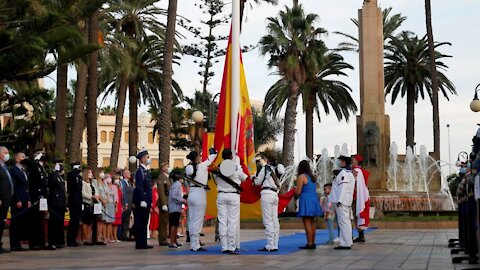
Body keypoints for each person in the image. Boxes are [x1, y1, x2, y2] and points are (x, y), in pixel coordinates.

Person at [214, 149, 247, 254]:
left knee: (222, 221)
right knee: (232, 221)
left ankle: (224, 247)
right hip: (233, 195)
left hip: (221, 195)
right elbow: (244, 178)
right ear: (231, 157)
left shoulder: (217, 169)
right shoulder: (236, 168)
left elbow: (215, 180)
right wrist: (238, 167)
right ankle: (231, 246)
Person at [185, 150, 217, 252]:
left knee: (191, 220)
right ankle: (196, 245)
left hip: (191, 193)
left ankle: (192, 244)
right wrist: (213, 152)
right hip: (199, 193)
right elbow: (211, 159)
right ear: (197, 158)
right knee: (198, 221)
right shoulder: (202, 166)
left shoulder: (188, 168)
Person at [254, 154, 285, 252]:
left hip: (267, 194)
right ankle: (275, 244)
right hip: (275, 195)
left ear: (267, 160)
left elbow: (258, 182)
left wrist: (253, 178)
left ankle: (270, 244)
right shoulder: (278, 170)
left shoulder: (266, 169)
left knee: (267, 220)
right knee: (274, 220)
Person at [295, 160, 322, 250]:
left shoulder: (301, 177)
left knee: (306, 222)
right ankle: (313, 242)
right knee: (312, 222)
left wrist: (294, 192)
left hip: (306, 199)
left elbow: (298, 191)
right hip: (313, 199)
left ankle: (309, 243)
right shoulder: (313, 177)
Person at [331, 154, 355, 250]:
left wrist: (339, 200)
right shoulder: (349, 173)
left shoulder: (343, 173)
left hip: (342, 201)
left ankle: (345, 243)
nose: (339, 162)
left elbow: (343, 188)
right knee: (346, 222)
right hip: (346, 201)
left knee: (343, 222)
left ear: (344, 162)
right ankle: (347, 241)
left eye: (340, 161)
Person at [28, 152, 51, 250]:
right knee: (35, 220)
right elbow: (35, 176)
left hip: (42, 197)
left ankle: (41, 242)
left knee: (41, 220)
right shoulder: (34, 165)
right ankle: (35, 243)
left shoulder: (41, 167)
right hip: (36, 196)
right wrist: (35, 161)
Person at [9, 152, 31, 251]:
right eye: (23, 157)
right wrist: (17, 199)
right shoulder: (14, 170)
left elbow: (26, 186)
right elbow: (14, 186)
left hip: (25, 199)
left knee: (22, 222)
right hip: (18, 200)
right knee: (16, 223)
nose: (25, 158)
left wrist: (28, 199)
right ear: (17, 159)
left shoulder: (23, 170)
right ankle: (14, 244)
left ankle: (18, 244)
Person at [132, 149, 153, 249]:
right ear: (142, 159)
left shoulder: (145, 171)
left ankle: (143, 242)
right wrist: (142, 199)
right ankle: (139, 243)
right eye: (146, 157)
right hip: (142, 201)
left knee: (144, 221)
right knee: (140, 221)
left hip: (147, 200)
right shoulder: (139, 171)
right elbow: (139, 186)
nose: (148, 159)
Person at [47, 159, 67, 249]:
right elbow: (52, 182)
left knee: (59, 224)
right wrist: (55, 172)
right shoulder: (53, 176)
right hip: (55, 203)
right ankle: (52, 242)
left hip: (61, 203)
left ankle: (59, 241)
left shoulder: (61, 178)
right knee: (53, 223)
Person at [351, 154, 370, 243]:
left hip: (356, 196)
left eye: (353, 159)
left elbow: (355, 184)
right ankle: (360, 235)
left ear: (357, 161)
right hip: (359, 195)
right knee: (356, 215)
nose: (352, 161)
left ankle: (360, 235)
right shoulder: (361, 171)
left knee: (356, 214)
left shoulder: (356, 171)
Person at [168, 172, 187, 248]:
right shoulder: (177, 185)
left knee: (175, 225)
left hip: (176, 208)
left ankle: (175, 241)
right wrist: (183, 200)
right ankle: (172, 242)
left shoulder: (176, 185)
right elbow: (174, 196)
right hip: (175, 208)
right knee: (174, 225)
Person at [66, 162, 83, 247]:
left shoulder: (78, 177)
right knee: (73, 221)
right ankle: (70, 240)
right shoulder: (71, 174)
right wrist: (74, 170)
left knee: (76, 222)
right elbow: (72, 185)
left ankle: (74, 239)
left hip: (78, 201)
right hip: (73, 201)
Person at [0, 146, 13, 253]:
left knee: (2, 223)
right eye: (6, 152)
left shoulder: (5, 167)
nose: (7, 154)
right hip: (1, 200)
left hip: (6, 199)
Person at [156, 162, 171, 246]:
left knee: (166, 221)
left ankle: (165, 237)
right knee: (163, 222)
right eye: (167, 166)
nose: (168, 167)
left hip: (168, 201)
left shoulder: (168, 177)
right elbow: (161, 191)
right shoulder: (162, 177)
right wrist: (164, 203)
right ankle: (162, 239)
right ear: (163, 168)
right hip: (164, 202)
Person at [81, 169, 96, 245]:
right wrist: (91, 197)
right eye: (89, 172)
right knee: (85, 222)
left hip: (92, 205)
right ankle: (85, 238)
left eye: (91, 172)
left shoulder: (92, 183)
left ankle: (89, 237)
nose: (91, 174)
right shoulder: (83, 183)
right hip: (86, 204)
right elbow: (83, 193)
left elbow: (94, 191)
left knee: (90, 222)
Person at [92, 170, 108, 245]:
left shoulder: (104, 182)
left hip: (105, 203)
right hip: (99, 203)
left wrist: (106, 200)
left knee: (103, 221)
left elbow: (107, 192)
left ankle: (100, 236)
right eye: (101, 172)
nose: (102, 174)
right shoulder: (95, 182)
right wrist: (102, 201)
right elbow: (97, 192)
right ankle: (97, 237)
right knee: (99, 220)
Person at [105, 174, 116, 242]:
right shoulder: (104, 186)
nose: (109, 178)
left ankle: (109, 237)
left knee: (110, 222)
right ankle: (104, 237)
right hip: (105, 204)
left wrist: (116, 206)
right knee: (105, 221)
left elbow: (116, 198)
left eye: (110, 177)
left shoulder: (114, 187)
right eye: (107, 177)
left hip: (111, 205)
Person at [113, 172, 123, 242]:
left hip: (119, 205)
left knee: (117, 223)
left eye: (118, 179)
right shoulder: (113, 188)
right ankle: (113, 236)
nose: (118, 180)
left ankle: (116, 236)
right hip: (115, 206)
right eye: (116, 179)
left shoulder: (119, 188)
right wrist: (115, 206)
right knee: (114, 222)